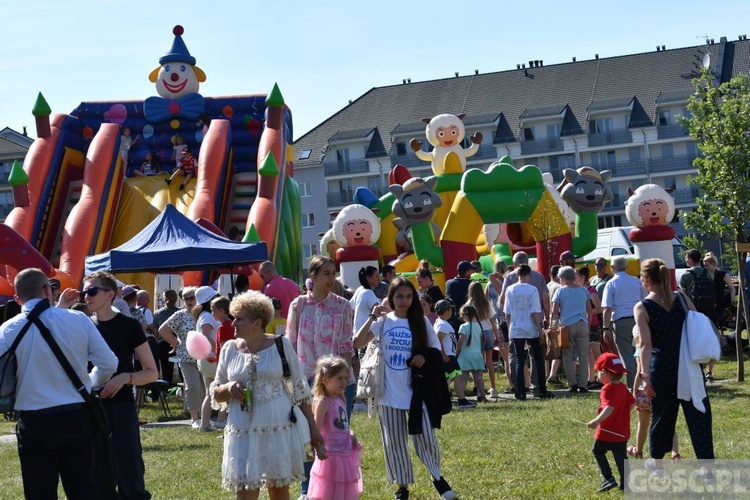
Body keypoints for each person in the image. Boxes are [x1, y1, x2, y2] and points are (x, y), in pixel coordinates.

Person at [0, 268, 117, 499]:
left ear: (17, 298)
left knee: (39, 492)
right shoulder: (78, 319)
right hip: (77, 416)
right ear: (48, 290)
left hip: (34, 422)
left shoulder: (6, 330)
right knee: (83, 490)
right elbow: (109, 364)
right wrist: (86, 385)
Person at [210, 291, 325, 500]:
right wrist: (228, 388)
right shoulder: (229, 349)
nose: (233, 323)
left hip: (277, 429)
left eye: (239, 318)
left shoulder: (281, 346)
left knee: (278, 489)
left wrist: (313, 429)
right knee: (245, 491)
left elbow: (299, 390)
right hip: (242, 431)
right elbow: (216, 393)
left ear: (257, 323)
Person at [353, 278, 455, 500]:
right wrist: (373, 316)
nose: (404, 301)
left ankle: (436, 476)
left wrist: (421, 356)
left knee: (427, 437)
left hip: (416, 392)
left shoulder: (420, 321)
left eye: (409, 296)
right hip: (388, 393)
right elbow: (357, 342)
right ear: (391, 297)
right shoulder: (383, 322)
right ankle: (402, 487)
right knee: (395, 442)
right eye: (399, 296)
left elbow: (435, 350)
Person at [79, 271, 157, 499]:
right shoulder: (82, 326)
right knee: (97, 479)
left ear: (110, 294)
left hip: (121, 407)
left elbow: (152, 372)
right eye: (85, 292)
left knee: (129, 474)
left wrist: (126, 377)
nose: (87, 296)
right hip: (89, 409)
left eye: (92, 291)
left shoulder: (129, 326)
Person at [635, 258, 715, 472]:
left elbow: (645, 344)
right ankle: (707, 467)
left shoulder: (642, 306)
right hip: (689, 365)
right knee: (699, 414)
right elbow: (696, 323)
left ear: (645, 279)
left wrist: (645, 376)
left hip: (662, 368)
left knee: (662, 417)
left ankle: (658, 463)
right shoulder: (681, 298)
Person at [287, 256, 355, 498]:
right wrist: (292, 383)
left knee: (334, 436)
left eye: (333, 273)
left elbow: (347, 344)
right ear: (313, 276)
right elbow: (291, 344)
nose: (331, 278)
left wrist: (344, 378)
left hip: (336, 382)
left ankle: (334, 486)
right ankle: (307, 489)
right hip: (306, 380)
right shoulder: (298, 305)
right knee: (306, 436)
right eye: (326, 273)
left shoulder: (343, 306)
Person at [307, 355, 363, 500]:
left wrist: (351, 433)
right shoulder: (323, 403)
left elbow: (343, 424)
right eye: (339, 378)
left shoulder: (341, 399)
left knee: (343, 493)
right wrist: (318, 448)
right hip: (330, 458)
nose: (344, 382)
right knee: (328, 494)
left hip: (344, 455)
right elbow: (316, 430)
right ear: (325, 380)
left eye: (345, 378)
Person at [626, 329, 681, 461]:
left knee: (643, 424)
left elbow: (640, 372)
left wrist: (634, 392)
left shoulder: (640, 350)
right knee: (668, 422)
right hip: (661, 388)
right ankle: (675, 453)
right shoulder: (658, 347)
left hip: (645, 391)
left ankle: (638, 451)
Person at [500, 251, 551, 393]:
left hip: (516, 328)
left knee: (519, 359)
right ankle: (540, 388)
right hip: (531, 327)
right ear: (528, 273)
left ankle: (520, 390)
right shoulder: (533, 288)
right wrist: (539, 330)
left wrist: (510, 330)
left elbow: (507, 312)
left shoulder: (510, 289)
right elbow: (535, 312)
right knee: (537, 358)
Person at [586, 352, 635, 492]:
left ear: (605, 372)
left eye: (598, 373)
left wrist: (596, 421)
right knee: (621, 458)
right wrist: (623, 413)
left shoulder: (606, 389)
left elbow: (609, 407)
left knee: (597, 451)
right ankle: (626, 485)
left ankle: (608, 478)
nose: (597, 376)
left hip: (607, 431)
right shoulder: (623, 387)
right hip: (622, 431)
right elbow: (632, 403)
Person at [159, 287, 202, 427]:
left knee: (205, 387)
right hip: (187, 357)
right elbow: (163, 330)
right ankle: (195, 418)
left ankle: (207, 415)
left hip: (205, 357)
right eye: (186, 298)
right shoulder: (180, 315)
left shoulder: (204, 313)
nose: (189, 301)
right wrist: (176, 343)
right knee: (192, 386)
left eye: (192, 297)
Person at [602, 256, 647, 388]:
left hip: (620, 321)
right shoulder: (636, 281)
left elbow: (607, 308)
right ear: (626, 267)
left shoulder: (611, 284)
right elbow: (645, 300)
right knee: (640, 351)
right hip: (638, 320)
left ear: (612, 268)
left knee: (626, 354)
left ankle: (633, 385)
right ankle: (644, 381)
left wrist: (606, 328)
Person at [552, 266, 592, 393]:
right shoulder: (583, 290)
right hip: (582, 323)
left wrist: (554, 326)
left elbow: (554, 311)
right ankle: (583, 384)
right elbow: (589, 309)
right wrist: (588, 324)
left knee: (568, 356)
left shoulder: (560, 291)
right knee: (583, 356)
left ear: (563, 278)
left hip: (567, 326)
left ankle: (572, 384)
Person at [702, 251, 735, 381]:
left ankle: (721, 343)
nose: (705, 267)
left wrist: (733, 299)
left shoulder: (722, 275)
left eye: (707, 265)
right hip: (708, 307)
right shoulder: (704, 275)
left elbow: (732, 287)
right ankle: (721, 343)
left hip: (719, 305)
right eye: (704, 264)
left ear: (713, 264)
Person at [466, 281, 501, 398]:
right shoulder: (486, 304)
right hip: (488, 333)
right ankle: (493, 389)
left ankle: (479, 389)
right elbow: (492, 322)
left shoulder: (469, 305)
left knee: (478, 364)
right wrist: (497, 335)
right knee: (489, 363)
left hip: (476, 334)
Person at [194, 285, 221, 432]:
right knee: (220, 389)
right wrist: (218, 350)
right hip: (212, 357)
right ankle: (221, 421)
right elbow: (206, 334)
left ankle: (204, 424)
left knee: (209, 393)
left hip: (206, 358)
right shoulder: (207, 316)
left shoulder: (203, 315)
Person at [486, 259, 512, 393]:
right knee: (512, 354)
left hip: (495, 321)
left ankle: (512, 384)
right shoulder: (508, 283)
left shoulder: (490, 284)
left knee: (505, 356)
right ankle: (516, 382)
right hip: (508, 319)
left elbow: (486, 302)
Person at [577, 266, 604, 390]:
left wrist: (586, 311)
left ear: (583, 277)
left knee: (596, 351)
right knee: (587, 353)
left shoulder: (591, 290)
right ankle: (591, 378)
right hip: (585, 324)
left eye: (576, 277)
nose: (574, 279)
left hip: (593, 324)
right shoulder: (580, 290)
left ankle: (602, 378)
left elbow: (599, 308)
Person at [456, 305, 486, 407]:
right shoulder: (479, 326)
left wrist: (456, 353)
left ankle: (462, 396)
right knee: (479, 377)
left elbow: (460, 342)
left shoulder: (463, 327)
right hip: (477, 355)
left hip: (465, 355)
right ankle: (483, 396)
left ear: (464, 315)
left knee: (464, 377)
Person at [152, 289, 180, 385]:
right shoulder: (180, 312)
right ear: (176, 299)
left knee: (165, 367)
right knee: (182, 366)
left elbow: (155, 332)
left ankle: (165, 388)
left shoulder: (158, 313)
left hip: (163, 343)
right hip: (178, 341)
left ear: (164, 299)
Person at [434, 299, 461, 385]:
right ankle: (443, 391)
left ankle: (444, 391)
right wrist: (443, 354)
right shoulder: (442, 324)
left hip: (449, 354)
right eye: (450, 309)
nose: (451, 312)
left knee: (453, 375)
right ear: (446, 310)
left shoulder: (442, 322)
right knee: (455, 375)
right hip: (447, 354)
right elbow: (438, 339)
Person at [350, 266, 382, 333]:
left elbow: (350, 311)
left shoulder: (359, 289)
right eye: (376, 276)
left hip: (356, 333)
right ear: (368, 278)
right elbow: (379, 313)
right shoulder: (369, 293)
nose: (379, 279)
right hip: (366, 335)